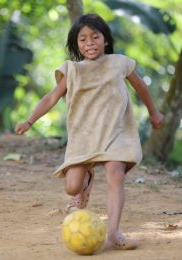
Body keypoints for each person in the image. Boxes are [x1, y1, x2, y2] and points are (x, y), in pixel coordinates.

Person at [15, 13, 163, 250]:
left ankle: (114, 231)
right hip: (84, 135)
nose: (90, 42)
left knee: (115, 173)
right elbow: (52, 97)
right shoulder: (72, 70)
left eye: (95, 36)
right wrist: (30, 120)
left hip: (116, 131)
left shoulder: (120, 63)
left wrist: (154, 113)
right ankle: (85, 183)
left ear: (105, 40)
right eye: (82, 39)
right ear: (76, 45)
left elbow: (140, 86)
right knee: (71, 186)